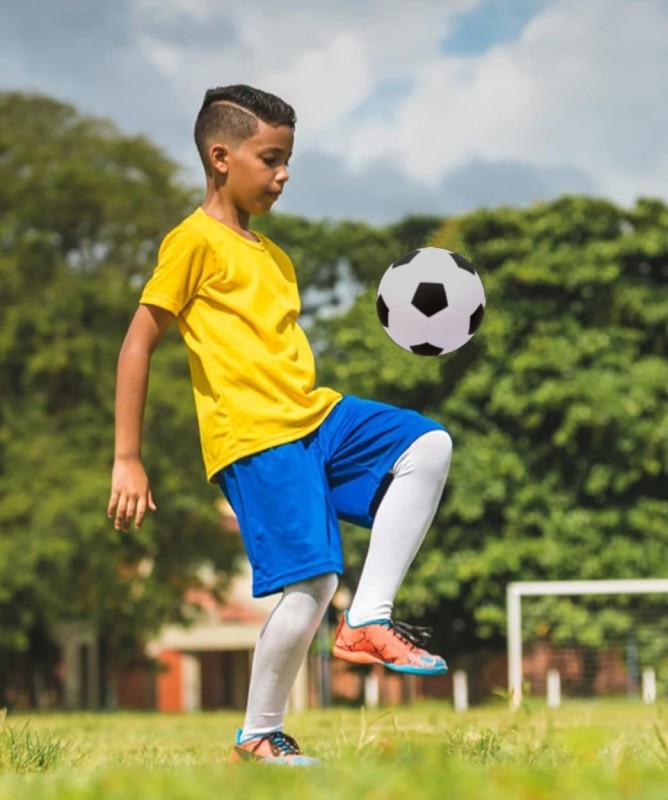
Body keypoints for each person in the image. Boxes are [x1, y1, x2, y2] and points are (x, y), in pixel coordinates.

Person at [106, 84, 452, 766]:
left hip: (314, 417)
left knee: (427, 443)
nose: (284, 173)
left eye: (288, 159)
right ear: (220, 156)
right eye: (271, 158)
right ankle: (259, 735)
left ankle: (368, 621)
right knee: (313, 581)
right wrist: (127, 457)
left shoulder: (273, 256)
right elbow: (138, 343)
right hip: (256, 435)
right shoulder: (192, 243)